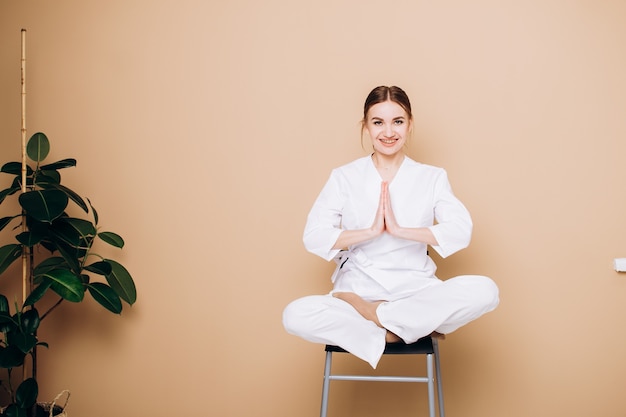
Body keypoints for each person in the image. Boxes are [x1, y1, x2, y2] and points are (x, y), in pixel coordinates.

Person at [282, 86, 499, 368]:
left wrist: (400, 230)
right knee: (294, 315)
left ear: (409, 124)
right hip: (357, 293)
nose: (388, 132)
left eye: (397, 121)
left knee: (487, 290)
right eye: (378, 122)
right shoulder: (344, 177)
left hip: (416, 291)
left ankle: (380, 319)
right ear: (366, 126)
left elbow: (460, 230)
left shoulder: (431, 177)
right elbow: (314, 236)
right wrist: (370, 232)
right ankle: (403, 327)